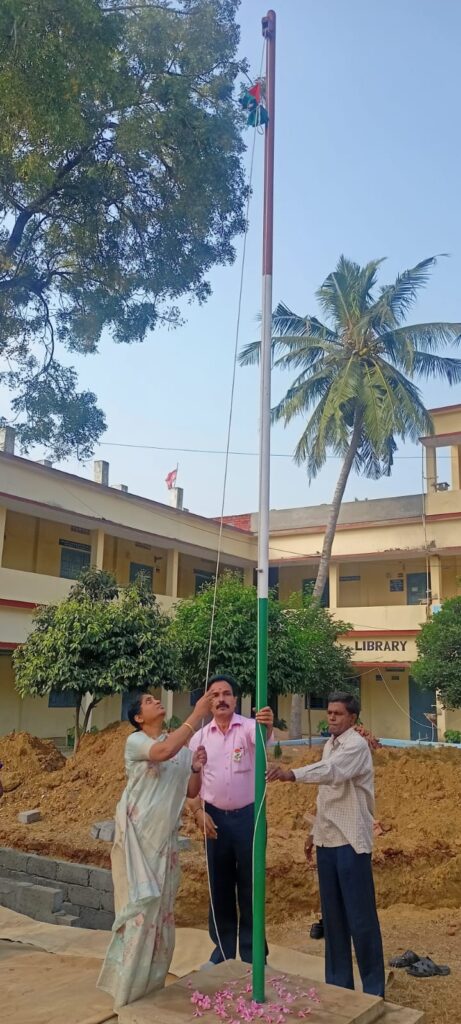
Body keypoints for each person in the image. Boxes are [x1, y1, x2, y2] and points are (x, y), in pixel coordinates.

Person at [97, 688, 214, 1008]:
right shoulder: (136, 741)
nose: (156, 701)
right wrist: (197, 714)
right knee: (138, 915)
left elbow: (191, 791)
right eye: (148, 701)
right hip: (137, 840)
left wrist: (196, 767)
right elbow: (162, 752)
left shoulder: (178, 747)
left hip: (164, 842)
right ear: (138, 717)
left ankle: (150, 989)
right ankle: (127, 994)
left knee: (161, 917)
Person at [267, 691, 385, 998]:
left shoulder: (356, 746)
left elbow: (331, 773)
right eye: (329, 712)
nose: (331, 716)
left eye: (338, 713)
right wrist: (313, 831)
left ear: (352, 718)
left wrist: (291, 774)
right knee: (332, 918)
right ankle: (339, 985)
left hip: (351, 841)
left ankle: (374, 990)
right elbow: (326, 794)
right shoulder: (331, 744)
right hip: (328, 840)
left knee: (360, 918)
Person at [188, 674, 273, 965]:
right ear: (208, 702)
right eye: (215, 695)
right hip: (214, 820)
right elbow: (190, 785)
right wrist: (198, 813)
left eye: (226, 694)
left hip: (249, 818)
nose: (221, 699)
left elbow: (263, 737)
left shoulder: (248, 728)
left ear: (235, 700)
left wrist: (267, 724)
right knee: (219, 888)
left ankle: (253, 956)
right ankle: (222, 953)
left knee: (251, 886)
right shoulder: (199, 738)